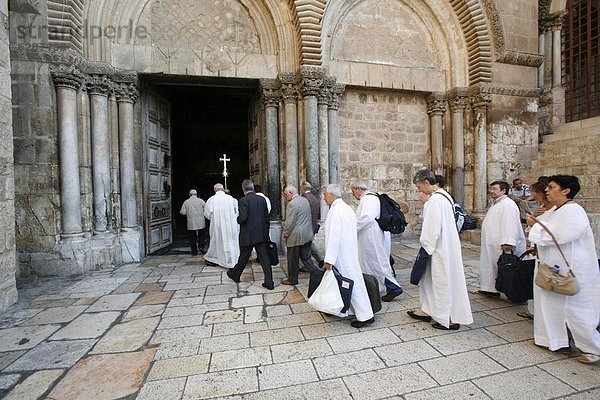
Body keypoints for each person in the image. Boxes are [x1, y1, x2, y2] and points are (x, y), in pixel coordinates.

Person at [526, 175, 600, 364]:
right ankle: (554, 339)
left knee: (575, 309)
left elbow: (561, 234)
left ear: (565, 191)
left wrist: (535, 225)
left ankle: (593, 349)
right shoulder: (553, 211)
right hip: (550, 268)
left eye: (552, 188)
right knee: (552, 305)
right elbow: (542, 228)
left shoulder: (574, 211)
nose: (547, 191)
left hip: (571, 269)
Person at [407, 169, 473, 330]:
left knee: (441, 281)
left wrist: (425, 247)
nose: (419, 190)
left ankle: (448, 318)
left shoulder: (436, 200)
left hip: (438, 249)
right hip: (445, 245)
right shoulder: (444, 196)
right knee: (429, 280)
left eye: (419, 186)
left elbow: (432, 228)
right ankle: (427, 309)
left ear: (427, 182)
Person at [323, 184, 374, 328]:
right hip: (348, 253)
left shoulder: (336, 211)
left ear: (332, 195)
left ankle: (365, 316)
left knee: (351, 284)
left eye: (325, 195)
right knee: (350, 283)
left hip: (342, 256)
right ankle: (349, 310)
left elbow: (334, 236)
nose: (324, 197)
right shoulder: (347, 208)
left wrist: (329, 259)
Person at [351, 180, 403, 302]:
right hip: (370, 234)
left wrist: (353, 228)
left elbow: (367, 217)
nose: (353, 195)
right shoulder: (373, 197)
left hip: (370, 235)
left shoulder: (367, 199)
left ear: (359, 189)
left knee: (376, 263)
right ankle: (374, 287)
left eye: (353, 192)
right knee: (373, 262)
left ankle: (393, 288)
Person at [479, 180, 526, 297]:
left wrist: (508, 241)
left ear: (503, 190)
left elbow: (510, 224)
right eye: (491, 189)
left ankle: (510, 291)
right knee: (492, 266)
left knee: (504, 268)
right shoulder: (497, 204)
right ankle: (490, 288)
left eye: (494, 189)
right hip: (492, 243)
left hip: (501, 244)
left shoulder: (508, 205)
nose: (491, 191)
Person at [226, 179, 275, 290]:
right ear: (252, 188)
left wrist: (238, 219)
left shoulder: (243, 201)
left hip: (248, 234)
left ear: (243, 189)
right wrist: (265, 233)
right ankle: (269, 282)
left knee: (243, 256)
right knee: (264, 259)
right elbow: (267, 217)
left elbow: (243, 218)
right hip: (261, 234)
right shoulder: (262, 200)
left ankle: (235, 274)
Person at [281, 185, 318, 285]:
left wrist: (285, 233)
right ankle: (317, 274)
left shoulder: (292, 204)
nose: (285, 196)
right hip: (306, 234)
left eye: (285, 194)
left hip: (296, 236)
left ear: (290, 193)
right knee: (305, 257)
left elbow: (290, 222)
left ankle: (292, 279)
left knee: (292, 259)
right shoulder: (304, 200)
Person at [203, 183, 240, 268]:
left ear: (214, 190)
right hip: (230, 225)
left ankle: (216, 259)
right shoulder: (231, 199)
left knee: (217, 242)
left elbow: (206, 213)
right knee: (230, 242)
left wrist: (214, 219)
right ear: (223, 189)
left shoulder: (211, 199)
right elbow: (236, 212)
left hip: (217, 226)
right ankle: (232, 260)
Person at [300, 181, 324, 267]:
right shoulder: (315, 198)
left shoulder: (304, 198)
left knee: (303, 249)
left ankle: (312, 269)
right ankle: (320, 259)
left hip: (306, 227)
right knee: (309, 244)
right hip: (313, 225)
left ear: (303, 188)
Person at [179, 189, 206, 256]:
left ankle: (194, 251)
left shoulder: (186, 202)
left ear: (189, 194)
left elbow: (183, 212)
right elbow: (206, 210)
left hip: (191, 222)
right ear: (196, 194)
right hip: (201, 221)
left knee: (192, 237)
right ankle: (201, 246)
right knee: (201, 235)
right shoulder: (201, 201)